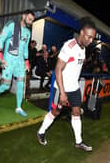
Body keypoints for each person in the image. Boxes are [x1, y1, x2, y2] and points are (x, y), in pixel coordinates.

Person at [37, 17, 97, 151]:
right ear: (81, 33)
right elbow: (58, 69)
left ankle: (79, 142)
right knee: (55, 112)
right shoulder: (69, 46)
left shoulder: (83, 48)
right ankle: (41, 131)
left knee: (76, 112)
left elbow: (76, 64)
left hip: (74, 88)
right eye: (89, 37)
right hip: (62, 88)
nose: (90, 40)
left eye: (93, 38)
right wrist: (62, 93)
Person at [0, 10, 35, 116]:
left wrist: (27, 62)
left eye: (32, 20)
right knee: (6, 86)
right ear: (23, 16)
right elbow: (1, 40)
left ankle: (18, 107)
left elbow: (25, 49)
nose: (31, 22)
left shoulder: (28, 32)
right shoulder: (11, 25)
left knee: (21, 83)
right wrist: (0, 57)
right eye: (29, 19)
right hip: (8, 60)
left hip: (20, 62)